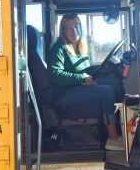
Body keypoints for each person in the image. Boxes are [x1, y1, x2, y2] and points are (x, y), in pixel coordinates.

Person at [47, 13, 123, 151]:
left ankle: (118, 131)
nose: (74, 31)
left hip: (76, 88)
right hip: (64, 94)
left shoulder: (78, 49)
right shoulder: (58, 48)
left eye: (77, 26)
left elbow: (84, 70)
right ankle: (113, 138)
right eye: (69, 28)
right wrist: (82, 78)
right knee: (108, 93)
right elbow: (55, 74)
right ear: (63, 31)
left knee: (116, 87)